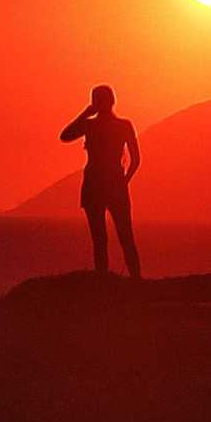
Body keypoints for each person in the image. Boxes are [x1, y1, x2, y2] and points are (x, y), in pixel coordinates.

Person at [59, 84, 142, 277]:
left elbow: (65, 135)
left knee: (101, 239)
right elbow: (136, 160)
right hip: (111, 184)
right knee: (125, 237)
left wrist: (86, 112)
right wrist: (125, 180)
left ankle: (105, 281)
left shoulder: (91, 125)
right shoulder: (122, 125)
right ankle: (135, 281)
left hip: (95, 185)